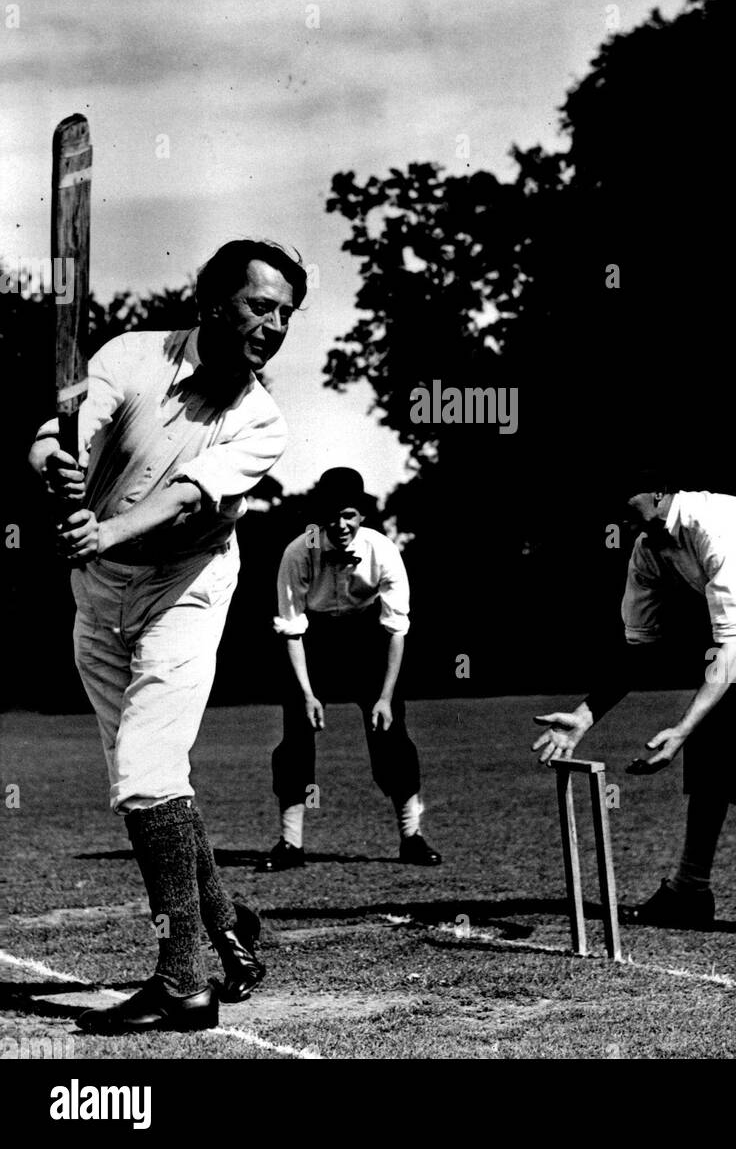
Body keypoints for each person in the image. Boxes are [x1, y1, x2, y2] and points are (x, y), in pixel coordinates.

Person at [29, 240, 308, 1033]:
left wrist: (107, 530)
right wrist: (55, 464)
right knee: (146, 778)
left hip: (186, 589)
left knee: (148, 769)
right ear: (212, 302)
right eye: (262, 306)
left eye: (287, 313)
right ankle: (229, 920)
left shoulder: (261, 420)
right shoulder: (130, 356)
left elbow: (187, 500)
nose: (277, 325)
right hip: (100, 592)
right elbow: (55, 438)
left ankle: (185, 983)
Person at [532, 483, 736, 953]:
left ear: (657, 493)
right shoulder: (648, 551)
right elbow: (638, 648)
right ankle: (689, 891)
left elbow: (731, 654)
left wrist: (682, 728)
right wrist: (587, 714)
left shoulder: (711, 528)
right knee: (716, 747)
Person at [259, 466, 440, 870]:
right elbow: (291, 628)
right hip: (311, 642)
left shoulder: (382, 549)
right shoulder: (298, 550)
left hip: (367, 640)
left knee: (391, 736)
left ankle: (411, 837)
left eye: (349, 515)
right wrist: (306, 694)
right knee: (295, 740)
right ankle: (290, 844)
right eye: (331, 516)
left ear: (362, 515)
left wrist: (386, 697)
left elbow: (396, 629)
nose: (340, 526)